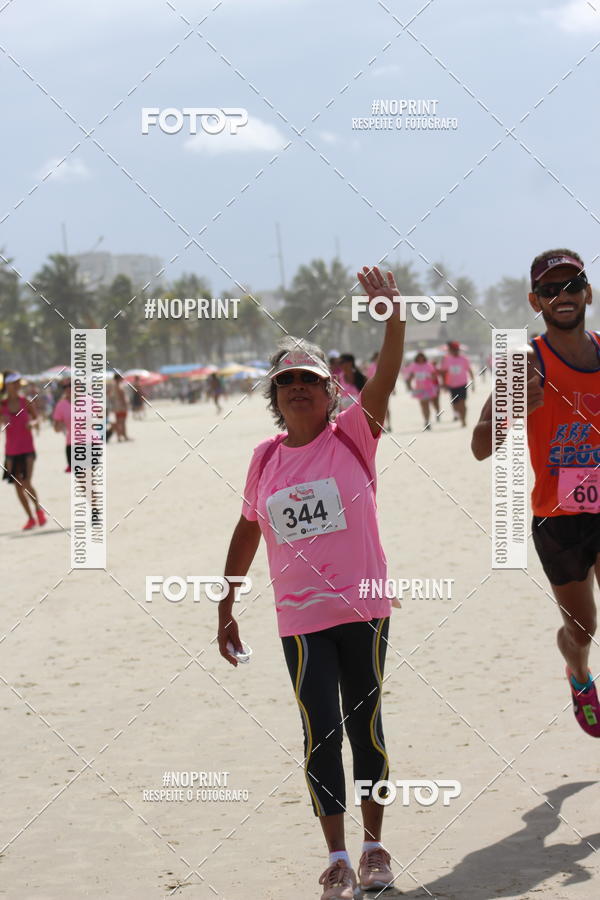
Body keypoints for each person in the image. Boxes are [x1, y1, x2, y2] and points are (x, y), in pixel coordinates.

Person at [218, 266, 406, 899]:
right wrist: (227, 602)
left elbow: (384, 377)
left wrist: (392, 315)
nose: (299, 388)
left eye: (310, 380)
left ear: (331, 392)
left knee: (366, 727)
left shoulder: (353, 434)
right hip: (299, 619)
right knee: (318, 731)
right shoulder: (265, 460)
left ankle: (375, 848)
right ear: (276, 395)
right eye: (287, 381)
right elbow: (248, 530)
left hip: (363, 609)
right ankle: (337, 857)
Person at [472, 248, 600, 737]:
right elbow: (480, 446)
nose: (562, 296)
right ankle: (579, 672)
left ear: (588, 292)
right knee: (582, 628)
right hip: (559, 514)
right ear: (535, 300)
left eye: (572, 286)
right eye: (550, 290)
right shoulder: (525, 361)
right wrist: (510, 408)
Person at [1, 371, 47, 530]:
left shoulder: (25, 401)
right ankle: (30, 518)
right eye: (14, 383)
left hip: (27, 448)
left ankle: (38, 510)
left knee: (26, 482)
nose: (16, 386)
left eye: (18, 383)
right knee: (17, 485)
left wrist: (33, 424)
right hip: (11, 451)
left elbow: (38, 418)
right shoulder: (3, 405)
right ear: (7, 385)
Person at [438, 341, 475, 426]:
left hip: (462, 384)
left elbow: (469, 370)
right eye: (453, 350)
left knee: (463, 403)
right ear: (450, 350)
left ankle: (464, 420)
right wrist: (444, 384)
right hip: (451, 385)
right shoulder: (446, 359)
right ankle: (458, 414)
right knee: (455, 404)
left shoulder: (464, 359)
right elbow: (443, 372)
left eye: (456, 350)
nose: (455, 351)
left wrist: (473, 383)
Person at [405, 351, 440, 429]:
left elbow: (434, 376)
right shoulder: (414, 366)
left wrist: (429, 376)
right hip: (419, 388)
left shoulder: (428, 365)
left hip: (428, 388)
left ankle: (428, 421)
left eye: (422, 357)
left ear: (424, 358)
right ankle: (426, 420)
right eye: (419, 357)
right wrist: (409, 386)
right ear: (417, 358)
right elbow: (410, 376)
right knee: (422, 406)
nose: (420, 359)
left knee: (427, 405)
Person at [52, 379, 73, 472]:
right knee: (81, 478)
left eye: (71, 385)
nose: (68, 388)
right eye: (65, 387)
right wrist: (59, 425)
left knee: (89, 475)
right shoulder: (61, 405)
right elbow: (56, 429)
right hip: (72, 444)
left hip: (90, 442)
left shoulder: (89, 400)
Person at [111, 372, 130, 441]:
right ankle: (125, 436)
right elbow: (121, 396)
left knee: (118, 422)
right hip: (121, 406)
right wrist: (125, 404)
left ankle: (119, 437)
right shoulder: (119, 386)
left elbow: (111, 396)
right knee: (122, 422)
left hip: (116, 406)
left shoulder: (113, 386)